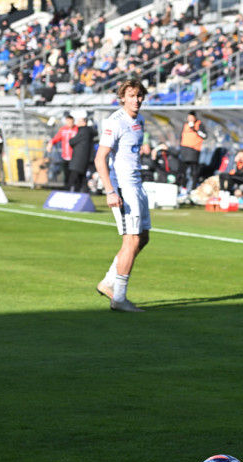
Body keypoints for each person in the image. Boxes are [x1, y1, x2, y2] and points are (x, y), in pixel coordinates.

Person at [94, 79, 151, 313]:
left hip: (137, 186)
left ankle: (108, 281)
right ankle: (119, 297)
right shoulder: (114, 123)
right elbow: (100, 159)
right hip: (124, 189)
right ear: (122, 97)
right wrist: (110, 191)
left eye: (139, 95)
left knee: (143, 237)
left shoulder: (140, 120)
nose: (136, 100)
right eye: (131, 95)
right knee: (132, 241)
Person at [178, 111, 207, 193]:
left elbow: (204, 136)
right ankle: (183, 188)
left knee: (194, 171)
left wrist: (194, 129)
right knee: (183, 171)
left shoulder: (199, 124)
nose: (189, 119)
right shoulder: (185, 125)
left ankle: (193, 189)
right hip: (185, 150)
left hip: (194, 150)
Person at [46, 114, 77, 188]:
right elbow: (56, 138)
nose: (69, 123)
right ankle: (67, 188)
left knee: (74, 174)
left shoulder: (76, 129)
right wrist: (50, 144)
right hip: (65, 156)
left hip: (74, 156)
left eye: (71, 121)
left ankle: (75, 188)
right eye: (68, 121)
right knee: (66, 173)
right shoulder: (63, 129)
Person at [68, 114, 96, 192]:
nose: (77, 123)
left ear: (84, 123)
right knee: (82, 178)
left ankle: (73, 193)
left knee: (74, 178)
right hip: (84, 159)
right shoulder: (88, 131)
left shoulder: (83, 131)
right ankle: (82, 193)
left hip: (79, 159)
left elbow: (72, 141)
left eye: (79, 121)